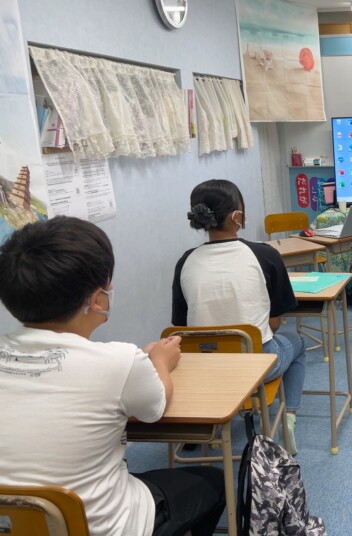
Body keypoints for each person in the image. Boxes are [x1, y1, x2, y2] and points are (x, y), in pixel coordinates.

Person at [0, 216, 226, 536]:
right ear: (96, 300)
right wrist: (159, 361)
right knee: (213, 481)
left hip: (13, 527)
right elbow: (154, 408)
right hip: (106, 528)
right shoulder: (120, 361)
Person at [172, 179, 304, 454]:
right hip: (254, 367)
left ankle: (199, 425)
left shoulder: (185, 261)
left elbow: (182, 327)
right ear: (238, 217)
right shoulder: (265, 255)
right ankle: (288, 417)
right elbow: (274, 323)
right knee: (297, 343)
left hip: (202, 369)